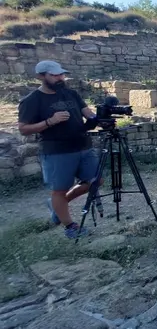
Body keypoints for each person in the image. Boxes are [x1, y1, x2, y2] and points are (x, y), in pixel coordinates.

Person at [17, 60, 100, 239]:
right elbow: (23, 129)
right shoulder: (32, 100)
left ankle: (56, 205)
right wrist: (50, 121)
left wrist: (97, 118)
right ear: (41, 76)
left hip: (83, 146)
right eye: (54, 75)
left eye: (61, 74)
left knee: (95, 181)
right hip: (57, 151)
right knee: (59, 190)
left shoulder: (71, 93)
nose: (60, 78)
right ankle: (70, 226)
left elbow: (87, 112)